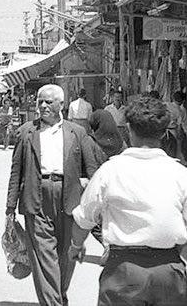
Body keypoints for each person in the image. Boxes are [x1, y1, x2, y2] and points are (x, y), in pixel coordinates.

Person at [69, 97, 187, 305]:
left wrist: (76, 246)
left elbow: (84, 217)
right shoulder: (180, 174)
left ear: (129, 130)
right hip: (169, 272)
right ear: (163, 132)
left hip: (123, 272)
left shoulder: (111, 170)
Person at [5, 84, 102, 306]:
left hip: (69, 197)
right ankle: (54, 303)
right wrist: (10, 207)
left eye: (49, 101)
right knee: (43, 256)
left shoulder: (77, 133)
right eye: (40, 101)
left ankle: (59, 296)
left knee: (66, 254)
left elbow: (93, 169)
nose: (43, 105)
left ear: (61, 104)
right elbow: (16, 171)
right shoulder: (27, 132)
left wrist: (92, 196)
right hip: (36, 197)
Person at [163, 90, 186, 161]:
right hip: (174, 132)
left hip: (162, 131)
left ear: (173, 98)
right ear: (183, 101)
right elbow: (180, 124)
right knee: (176, 150)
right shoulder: (181, 111)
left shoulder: (165, 105)